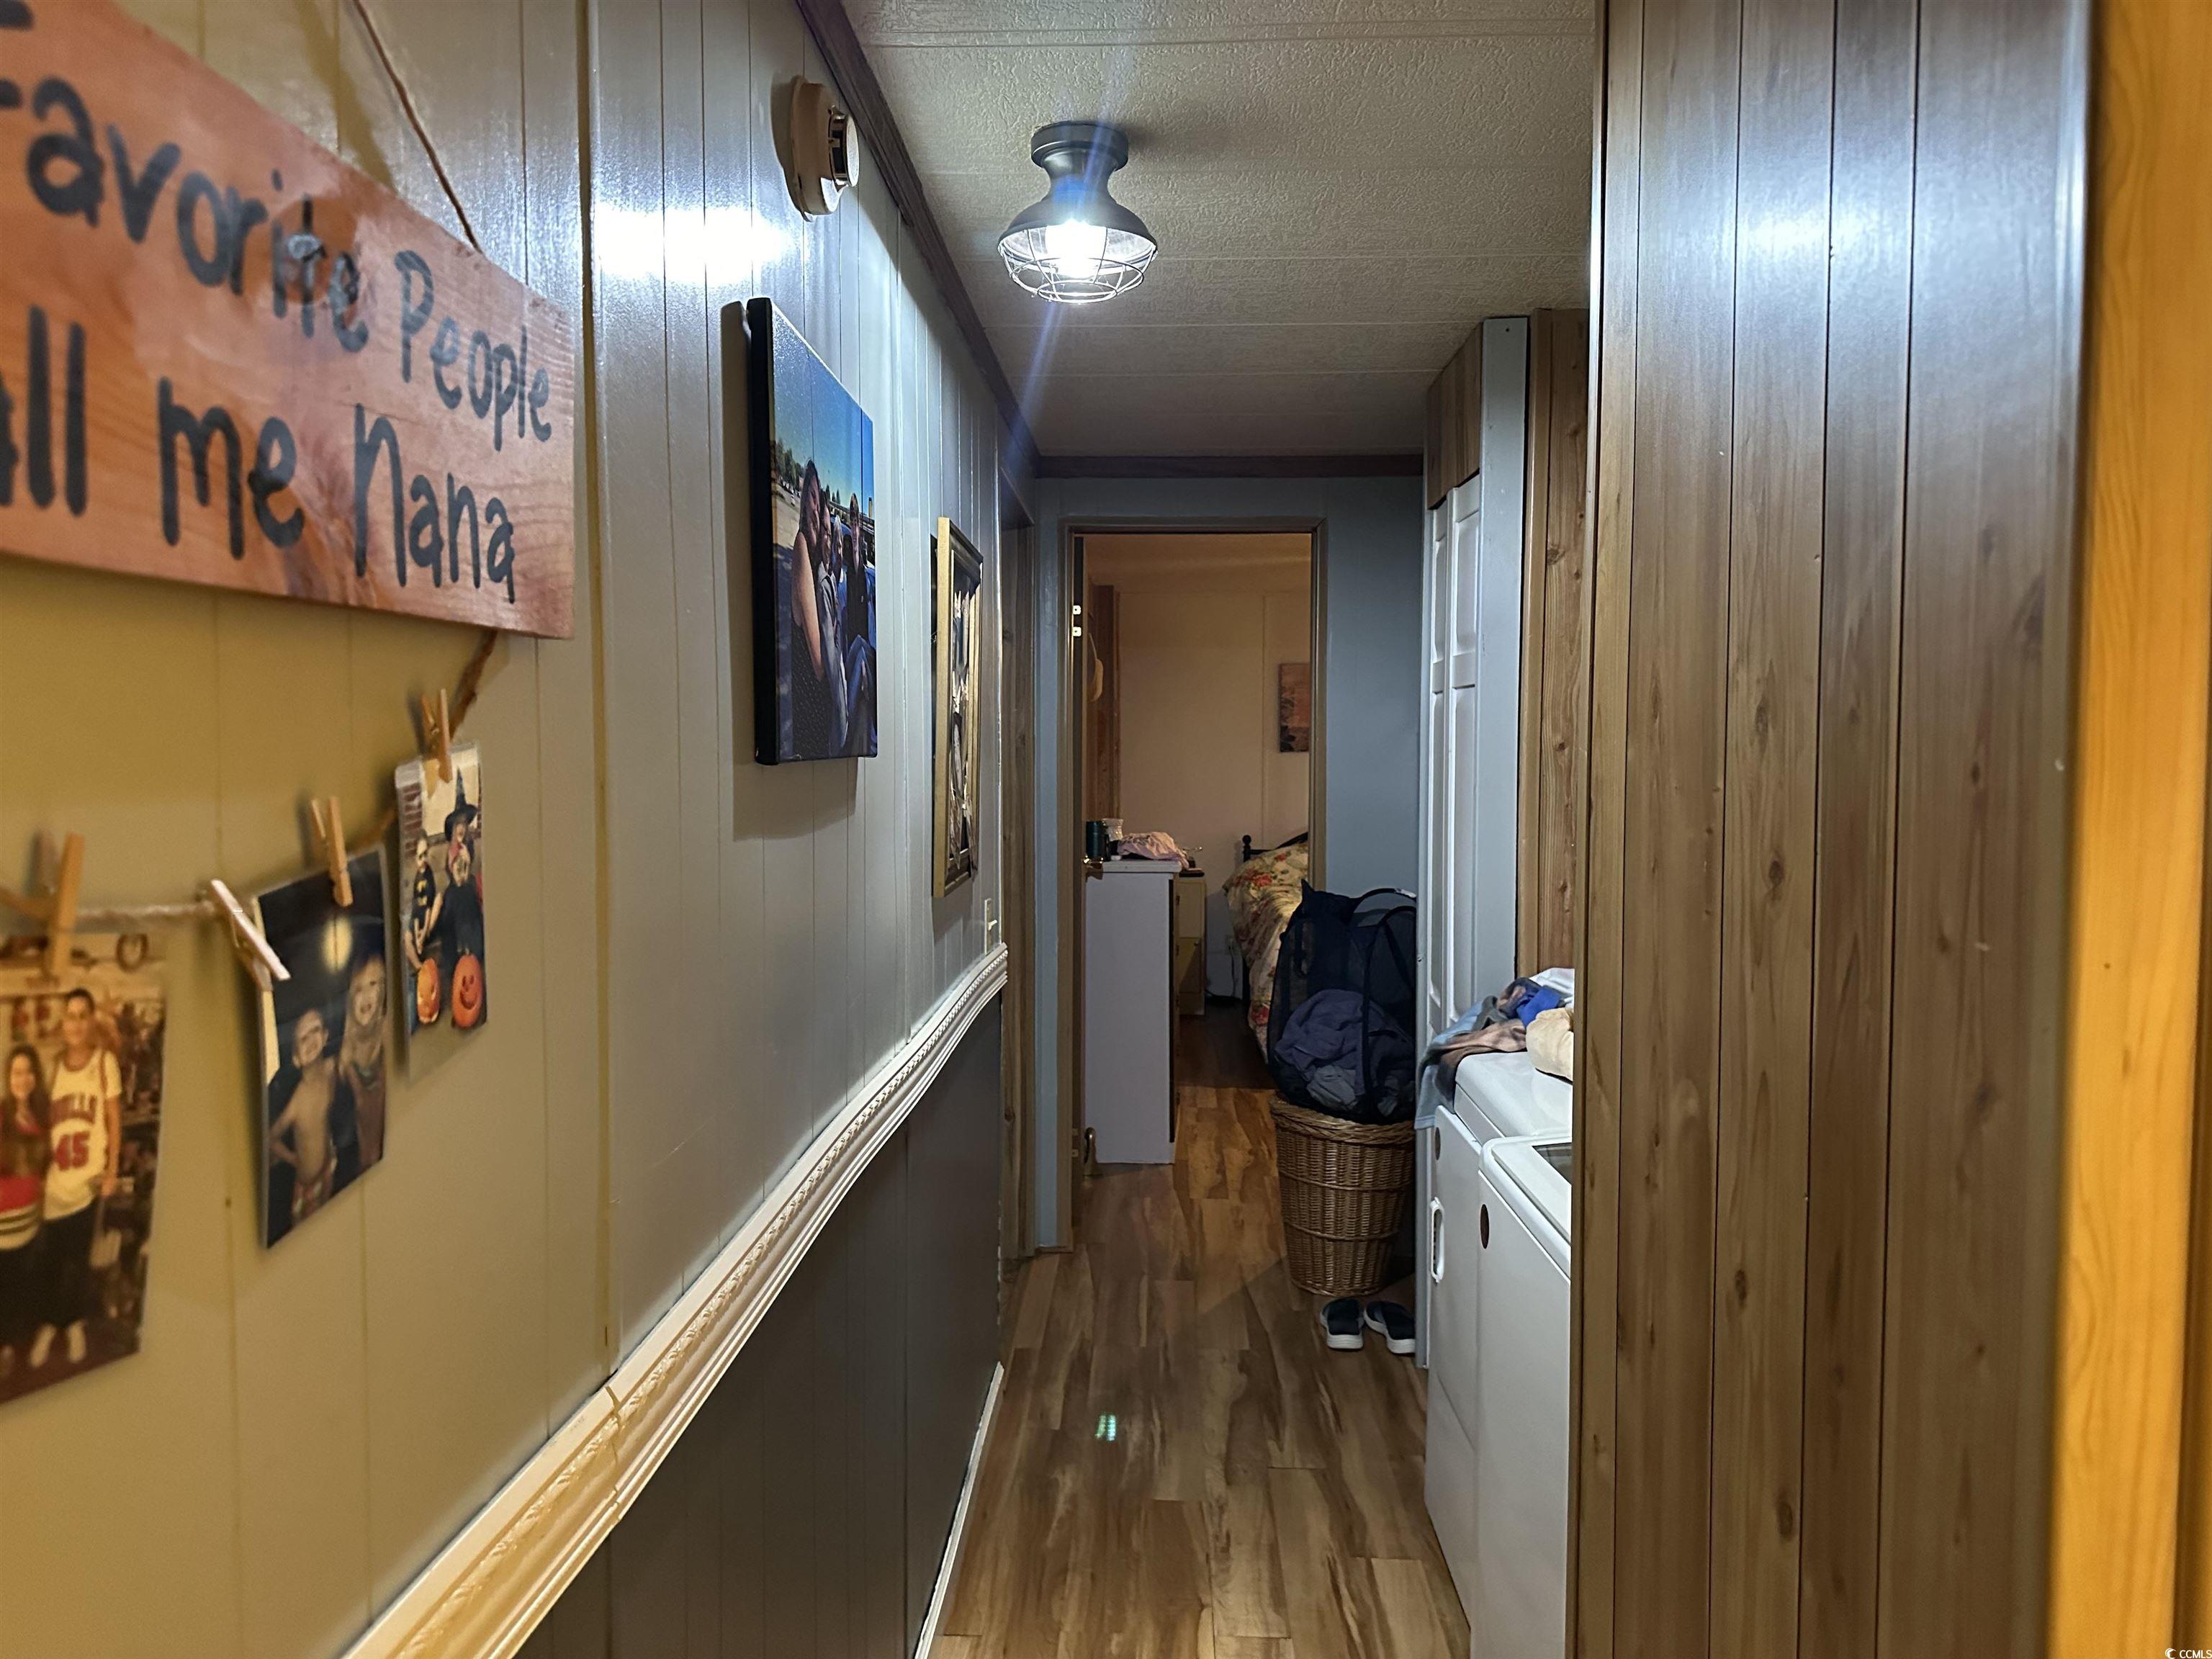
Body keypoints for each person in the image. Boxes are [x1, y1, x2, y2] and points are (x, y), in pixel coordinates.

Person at [29, 989, 119, 1369]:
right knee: (51, 1262)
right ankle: (50, 1325)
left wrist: (112, 1170)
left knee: (78, 1262)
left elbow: (114, 1121)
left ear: (91, 1021)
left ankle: (75, 1324)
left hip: (88, 1183)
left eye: (83, 1015)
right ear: (63, 1022)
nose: (76, 1023)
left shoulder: (104, 1063)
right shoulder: (53, 1068)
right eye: (70, 1016)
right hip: (56, 1185)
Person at [0, 1044, 50, 1382]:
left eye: (29, 1071)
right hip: (2, 1229)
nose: (23, 1078)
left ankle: (9, 1344)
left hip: (30, 1226)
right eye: (17, 1072)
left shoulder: (41, 1118)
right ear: (8, 1077)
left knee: (17, 1290)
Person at [267, 1006, 339, 1233]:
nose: (310, 1041)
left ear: (325, 1036)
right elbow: (270, 1137)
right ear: (296, 1057)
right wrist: (293, 1159)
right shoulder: (298, 1100)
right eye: (303, 1038)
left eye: (315, 1030)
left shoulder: (331, 1070)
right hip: (307, 1187)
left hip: (329, 1168)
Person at [338, 950, 388, 1168]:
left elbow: (383, 1093)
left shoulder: (385, 1029)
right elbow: (358, 1097)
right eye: (359, 989)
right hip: (360, 1121)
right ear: (350, 998)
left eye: (373, 984)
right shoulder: (348, 1042)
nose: (366, 995)